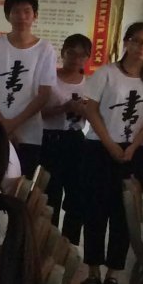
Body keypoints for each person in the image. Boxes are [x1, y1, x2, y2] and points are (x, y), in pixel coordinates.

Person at [72, 21, 143, 284]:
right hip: (99, 148)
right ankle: (92, 271)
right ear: (126, 43)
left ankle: (113, 273)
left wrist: (132, 148)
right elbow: (91, 110)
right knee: (95, 209)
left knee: (125, 213)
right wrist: (110, 144)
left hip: (135, 151)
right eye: (138, 41)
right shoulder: (106, 73)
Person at [0, 0, 57, 178]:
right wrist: (1, 125)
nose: (22, 17)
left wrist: (11, 125)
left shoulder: (45, 49)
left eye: (27, 11)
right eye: (16, 12)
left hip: (29, 133)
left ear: (35, 15)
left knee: (22, 184)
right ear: (7, 16)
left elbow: (44, 94)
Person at [41, 33, 91, 229]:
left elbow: (96, 117)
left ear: (87, 58)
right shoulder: (49, 79)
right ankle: (47, 237)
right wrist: (64, 108)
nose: (76, 59)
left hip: (76, 140)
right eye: (71, 53)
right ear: (62, 53)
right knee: (49, 194)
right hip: (50, 138)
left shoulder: (90, 84)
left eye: (82, 55)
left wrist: (86, 110)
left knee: (76, 194)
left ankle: (70, 240)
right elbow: (37, 113)